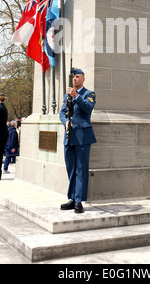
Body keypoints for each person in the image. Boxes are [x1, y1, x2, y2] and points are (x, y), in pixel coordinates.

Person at [59, 68, 96, 213]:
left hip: (82, 137)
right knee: (71, 169)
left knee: (81, 169)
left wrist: (76, 96)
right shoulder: (66, 96)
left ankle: (79, 201)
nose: (74, 79)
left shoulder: (89, 94)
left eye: (77, 76)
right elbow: (62, 113)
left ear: (83, 79)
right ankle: (73, 198)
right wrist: (65, 122)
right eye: (73, 77)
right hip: (69, 137)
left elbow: (88, 108)